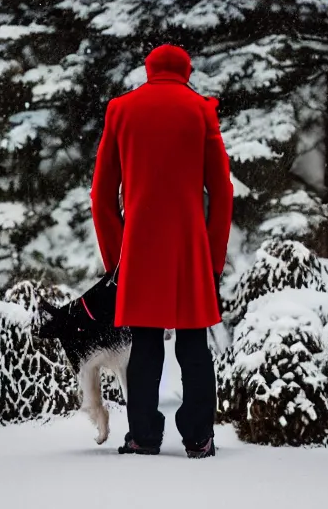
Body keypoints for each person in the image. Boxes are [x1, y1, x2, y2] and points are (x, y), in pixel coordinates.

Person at [91, 42, 233, 457]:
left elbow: (101, 196)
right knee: (193, 344)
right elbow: (221, 193)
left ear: (149, 70)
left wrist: (117, 257)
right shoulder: (200, 110)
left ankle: (144, 436)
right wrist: (213, 256)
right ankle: (198, 437)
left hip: (140, 245)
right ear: (186, 72)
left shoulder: (121, 109)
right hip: (190, 246)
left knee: (146, 343)